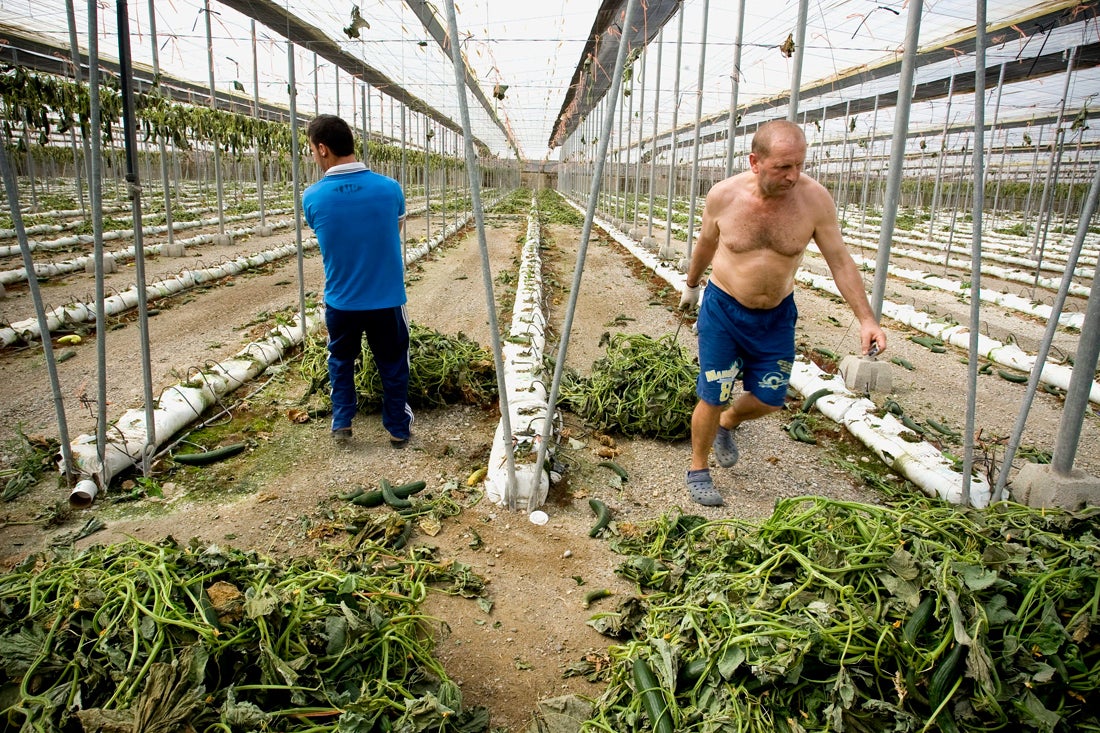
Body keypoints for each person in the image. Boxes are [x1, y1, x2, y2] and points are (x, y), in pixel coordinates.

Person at [678, 119, 887, 506]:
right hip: (723, 310)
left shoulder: (814, 201)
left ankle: (729, 422)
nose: (793, 175)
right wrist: (691, 285)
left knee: (770, 398)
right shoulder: (724, 196)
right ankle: (698, 469)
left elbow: (840, 262)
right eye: (783, 167)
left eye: (799, 165)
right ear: (755, 162)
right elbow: (706, 243)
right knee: (714, 393)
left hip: (775, 316)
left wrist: (867, 319)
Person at [302, 114, 413, 448]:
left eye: (312, 149)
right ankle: (397, 428)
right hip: (386, 298)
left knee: (340, 360)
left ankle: (342, 421)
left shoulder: (313, 197)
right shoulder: (390, 189)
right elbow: (394, 230)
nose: (313, 155)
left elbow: (329, 235)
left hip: (341, 299)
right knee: (393, 363)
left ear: (323, 149)